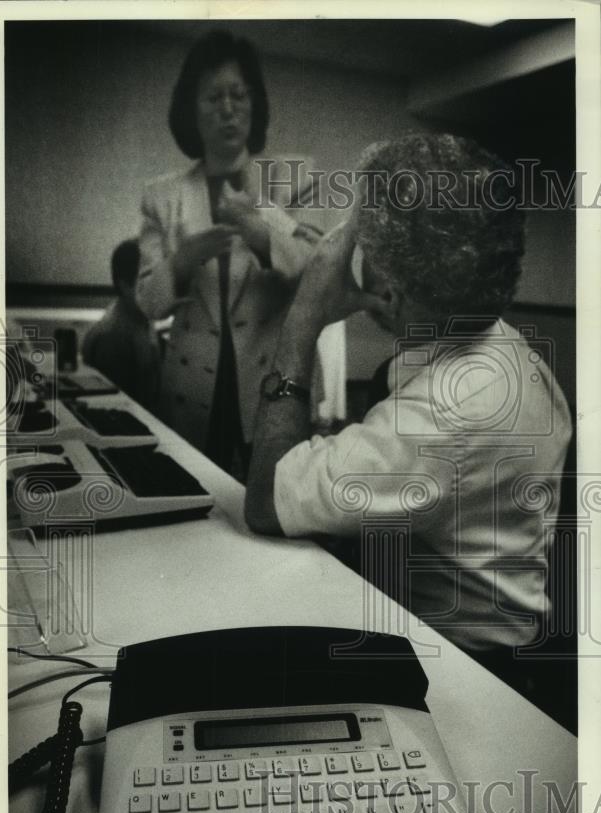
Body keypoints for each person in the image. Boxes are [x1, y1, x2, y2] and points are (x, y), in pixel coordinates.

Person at [244, 132, 572, 660]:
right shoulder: (506, 351)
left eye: (363, 241)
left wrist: (304, 315)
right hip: (487, 645)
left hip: (464, 669)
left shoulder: (446, 413)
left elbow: (264, 499)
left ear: (392, 294)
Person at [135, 30, 316, 478]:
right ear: (190, 111)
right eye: (213, 97)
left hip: (270, 385)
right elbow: (148, 303)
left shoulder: (292, 179)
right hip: (189, 392)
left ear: (255, 105)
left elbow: (316, 270)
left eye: (239, 94)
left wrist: (259, 233)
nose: (229, 109)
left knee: (269, 515)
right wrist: (182, 260)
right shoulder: (162, 195)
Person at [82, 239, 159, 409]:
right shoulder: (113, 337)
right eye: (147, 283)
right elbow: (121, 408)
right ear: (125, 285)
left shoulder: (140, 319)